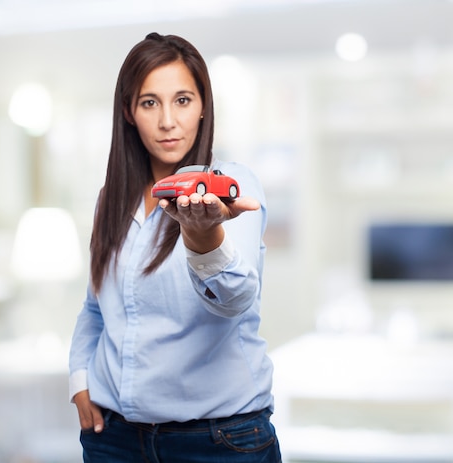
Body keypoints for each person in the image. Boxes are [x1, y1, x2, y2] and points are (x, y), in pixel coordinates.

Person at [68, 32, 282, 463]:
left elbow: (237, 299)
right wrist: (79, 380)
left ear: (203, 106)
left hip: (218, 442)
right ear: (128, 111)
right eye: (150, 103)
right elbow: (96, 308)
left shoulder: (231, 187)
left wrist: (205, 242)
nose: (168, 120)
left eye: (182, 100)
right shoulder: (111, 198)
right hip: (114, 440)